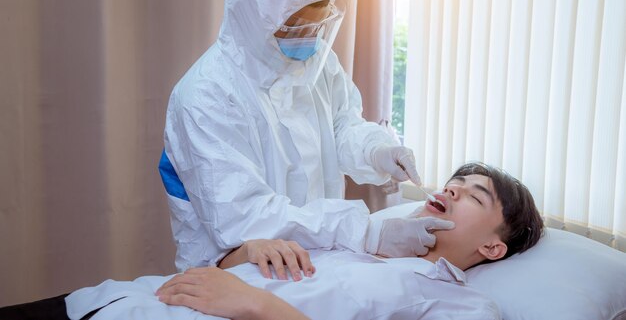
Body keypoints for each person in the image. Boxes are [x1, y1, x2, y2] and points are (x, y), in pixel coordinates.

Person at [158, 0, 448, 272]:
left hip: (320, 259)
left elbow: (341, 124)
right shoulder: (206, 96)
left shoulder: (318, 61)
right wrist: (364, 231)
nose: (310, 40)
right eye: (295, 28)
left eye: (318, 25)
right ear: (253, 17)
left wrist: (377, 150)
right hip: (238, 271)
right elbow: (246, 219)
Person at [66, 162, 544, 320]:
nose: (452, 188)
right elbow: (226, 274)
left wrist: (258, 305)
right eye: (454, 181)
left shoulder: (465, 305)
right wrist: (248, 251)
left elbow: (245, 295)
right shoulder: (357, 237)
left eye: (474, 195)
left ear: (493, 247)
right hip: (122, 301)